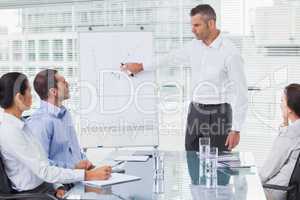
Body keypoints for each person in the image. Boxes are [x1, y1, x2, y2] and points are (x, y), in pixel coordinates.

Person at [122, 4, 248, 151]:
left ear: (211, 24)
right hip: (195, 111)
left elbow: (241, 92)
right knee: (191, 158)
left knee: (218, 163)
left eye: (197, 25)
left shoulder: (230, 52)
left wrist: (236, 129)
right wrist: (142, 66)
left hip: (219, 113)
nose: (192, 30)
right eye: (192, 25)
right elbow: (169, 58)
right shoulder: (194, 46)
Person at [0, 72, 111, 198]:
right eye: (29, 91)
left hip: (46, 187)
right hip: (33, 195)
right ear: (19, 97)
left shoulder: (22, 125)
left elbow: (42, 163)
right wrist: (88, 175)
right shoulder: (11, 132)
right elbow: (44, 171)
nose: (32, 96)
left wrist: (57, 186)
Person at [26, 69, 93, 170]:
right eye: (64, 82)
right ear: (54, 91)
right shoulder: (39, 121)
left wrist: (86, 163)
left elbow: (73, 149)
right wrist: (74, 167)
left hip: (78, 176)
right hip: (63, 182)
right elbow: (41, 164)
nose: (68, 85)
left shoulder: (65, 114)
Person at [260, 83, 300, 200]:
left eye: (282, 101)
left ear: (290, 108)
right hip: (289, 189)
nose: (280, 105)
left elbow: (267, 172)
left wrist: (251, 182)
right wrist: (285, 122)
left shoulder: (290, 135)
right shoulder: (294, 132)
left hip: (274, 191)